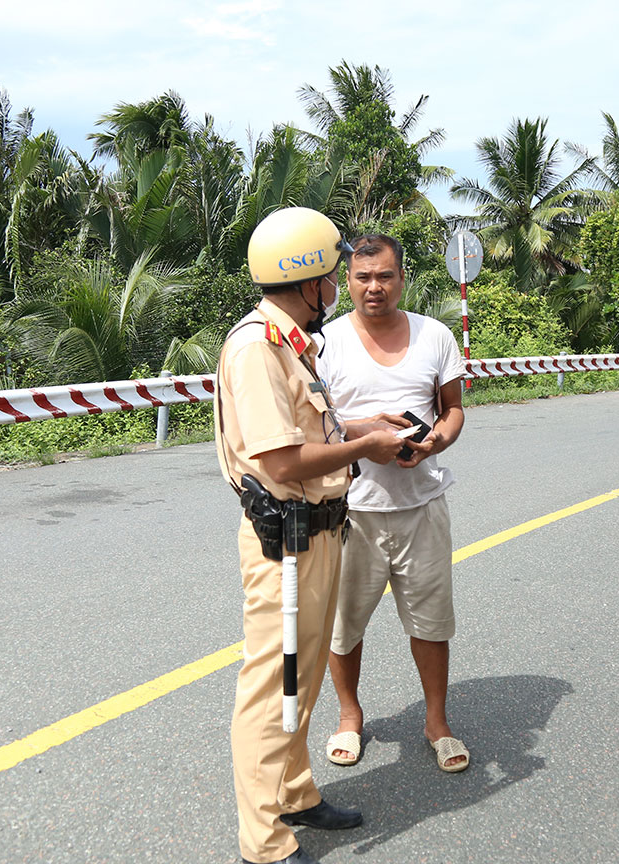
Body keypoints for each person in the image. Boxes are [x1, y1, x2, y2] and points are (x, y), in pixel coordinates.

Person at [214, 208, 412, 864]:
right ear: (308, 282)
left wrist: (359, 425)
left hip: (320, 532)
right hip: (286, 540)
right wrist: (370, 445)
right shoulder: (257, 347)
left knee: (302, 679)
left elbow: (308, 427)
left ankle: (295, 793)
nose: (338, 288)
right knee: (273, 685)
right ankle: (263, 842)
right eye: (332, 276)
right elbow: (278, 461)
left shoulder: (293, 337)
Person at [316, 234, 470, 774]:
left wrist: (436, 442)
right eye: (362, 278)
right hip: (349, 508)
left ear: (402, 278)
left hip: (421, 504)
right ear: (346, 282)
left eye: (384, 276)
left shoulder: (436, 335)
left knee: (431, 621)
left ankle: (437, 720)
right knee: (343, 624)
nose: (373, 287)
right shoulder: (326, 343)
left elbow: (452, 410)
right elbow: (316, 425)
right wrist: (366, 436)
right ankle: (349, 715)